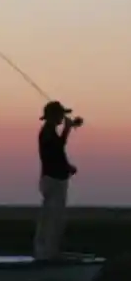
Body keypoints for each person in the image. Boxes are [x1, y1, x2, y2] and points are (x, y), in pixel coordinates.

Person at [34, 100, 83, 260]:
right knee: (53, 219)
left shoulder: (50, 132)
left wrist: (68, 167)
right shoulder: (47, 132)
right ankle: (47, 254)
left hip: (55, 180)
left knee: (53, 218)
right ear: (53, 116)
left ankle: (47, 252)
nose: (62, 117)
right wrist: (68, 129)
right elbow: (56, 149)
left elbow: (57, 152)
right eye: (60, 114)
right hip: (53, 181)